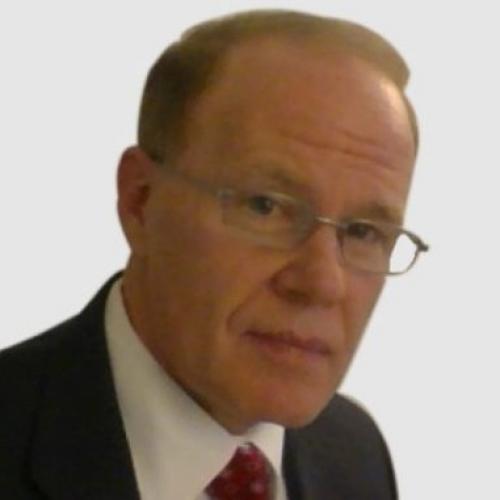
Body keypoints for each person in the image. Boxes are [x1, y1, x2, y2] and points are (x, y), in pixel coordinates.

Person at [0, 9, 428, 500]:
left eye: (365, 232)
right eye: (266, 206)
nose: (322, 283)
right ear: (141, 201)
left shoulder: (353, 453)